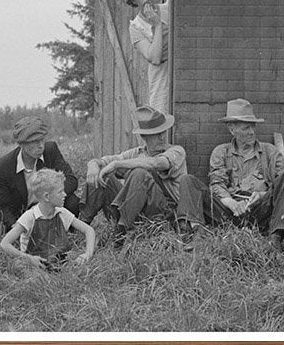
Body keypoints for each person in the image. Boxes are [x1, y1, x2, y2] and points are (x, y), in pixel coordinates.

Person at [79, 105, 204, 246]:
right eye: (156, 134)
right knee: (102, 177)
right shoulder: (136, 153)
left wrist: (117, 165)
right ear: (144, 136)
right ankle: (81, 227)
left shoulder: (176, 151)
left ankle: (120, 233)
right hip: (135, 210)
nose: (162, 137)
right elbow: (101, 162)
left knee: (139, 173)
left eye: (163, 132)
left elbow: (156, 163)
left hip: (164, 215)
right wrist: (93, 166)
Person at [204, 98, 284, 251]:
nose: (251, 132)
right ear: (231, 129)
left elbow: (283, 186)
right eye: (246, 128)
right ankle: (195, 235)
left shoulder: (270, 152)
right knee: (189, 182)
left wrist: (262, 195)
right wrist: (232, 203)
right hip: (229, 212)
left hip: (262, 211)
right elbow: (216, 183)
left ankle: (277, 237)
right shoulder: (220, 152)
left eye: (253, 127)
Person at [0, 116, 80, 233]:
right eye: (34, 141)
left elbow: (71, 180)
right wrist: (18, 228)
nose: (41, 145)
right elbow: (3, 207)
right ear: (21, 144)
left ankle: (62, 232)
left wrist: (49, 199)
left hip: (50, 206)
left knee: (73, 202)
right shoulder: (3, 166)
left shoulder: (51, 150)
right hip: (21, 214)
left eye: (42, 139)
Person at [0, 168, 96, 271]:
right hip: (35, 264)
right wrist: (29, 259)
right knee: (19, 266)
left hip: (61, 261)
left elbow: (89, 230)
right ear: (46, 197)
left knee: (83, 268)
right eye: (60, 192)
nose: (65, 194)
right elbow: (4, 244)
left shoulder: (62, 212)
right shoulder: (29, 217)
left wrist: (87, 254)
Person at [126, 0, 171, 114]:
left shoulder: (168, 8)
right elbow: (155, 58)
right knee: (161, 116)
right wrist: (157, 25)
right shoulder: (136, 27)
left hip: (180, 67)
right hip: (161, 76)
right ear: (133, 1)